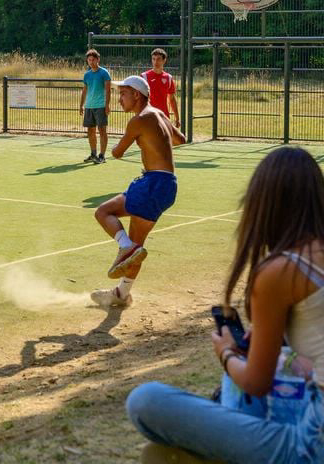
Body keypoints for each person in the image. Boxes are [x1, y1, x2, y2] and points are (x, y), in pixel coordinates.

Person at [127, 147, 324, 464]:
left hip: (312, 445)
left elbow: (255, 383)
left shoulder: (281, 271)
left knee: (145, 401)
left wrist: (227, 353)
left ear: (262, 203)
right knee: (280, 360)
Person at [91, 75, 186, 308]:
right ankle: (122, 294)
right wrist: (154, 143)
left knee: (103, 213)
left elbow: (117, 153)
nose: (119, 98)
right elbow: (180, 139)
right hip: (168, 185)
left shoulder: (139, 120)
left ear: (136, 95)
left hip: (152, 183)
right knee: (137, 247)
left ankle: (125, 246)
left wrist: (131, 141)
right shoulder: (159, 114)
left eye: (123, 93)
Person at [79, 49, 111, 163]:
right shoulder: (87, 75)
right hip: (89, 106)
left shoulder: (104, 73)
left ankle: (102, 156)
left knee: (102, 130)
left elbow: (108, 90)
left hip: (101, 106)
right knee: (90, 131)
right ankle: (93, 154)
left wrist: (107, 105)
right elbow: (85, 90)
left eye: (93, 59)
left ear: (98, 59)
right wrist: (81, 105)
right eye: (89, 60)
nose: (91, 62)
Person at [144, 48, 180, 128]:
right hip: (148, 116)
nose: (155, 62)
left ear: (164, 60)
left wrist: (177, 118)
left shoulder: (169, 78)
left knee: (166, 140)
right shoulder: (144, 77)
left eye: (158, 59)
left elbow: (172, 99)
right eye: (153, 59)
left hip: (164, 116)